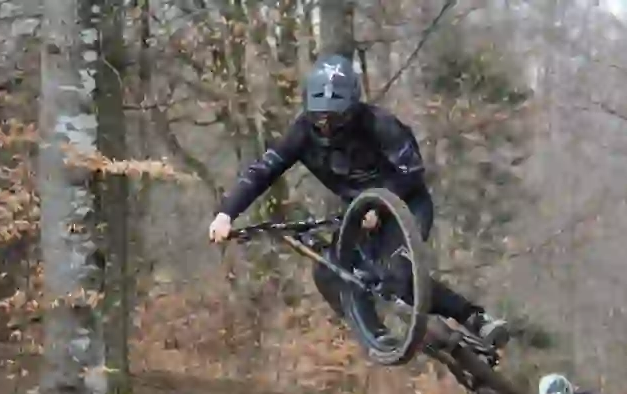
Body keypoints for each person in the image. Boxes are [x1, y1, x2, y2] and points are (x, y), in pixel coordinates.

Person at [206, 53, 511, 349]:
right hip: (360, 216)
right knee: (328, 270)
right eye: (318, 116)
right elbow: (263, 171)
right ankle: (376, 334)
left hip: (406, 206)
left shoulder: (381, 124)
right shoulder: (301, 133)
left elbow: (413, 172)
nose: (324, 125)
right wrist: (226, 214)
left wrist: (379, 206)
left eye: (334, 117)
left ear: (352, 109)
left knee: (399, 277)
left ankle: (474, 317)